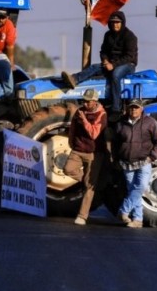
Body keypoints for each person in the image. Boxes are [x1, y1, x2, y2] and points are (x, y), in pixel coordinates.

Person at [61, 10, 138, 117]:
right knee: (94, 67)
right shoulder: (108, 35)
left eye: (117, 22)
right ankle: (74, 79)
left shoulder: (130, 36)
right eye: (113, 22)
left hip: (128, 64)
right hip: (110, 63)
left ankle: (116, 107)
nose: (115, 24)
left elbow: (129, 57)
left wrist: (113, 65)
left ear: (122, 23)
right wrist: (105, 61)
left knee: (115, 74)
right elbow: (103, 51)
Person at [111, 98, 157, 228]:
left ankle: (123, 211)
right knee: (133, 191)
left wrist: (151, 157)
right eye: (131, 107)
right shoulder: (121, 124)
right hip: (127, 163)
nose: (133, 110)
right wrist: (116, 158)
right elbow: (115, 143)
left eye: (136, 107)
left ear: (141, 109)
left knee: (140, 187)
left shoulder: (151, 123)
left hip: (144, 161)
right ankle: (138, 220)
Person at [63, 89, 108, 226]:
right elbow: (73, 128)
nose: (85, 103)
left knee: (89, 187)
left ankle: (82, 216)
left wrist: (84, 121)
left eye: (88, 101)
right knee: (68, 169)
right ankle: (88, 181)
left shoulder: (102, 114)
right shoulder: (79, 111)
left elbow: (94, 134)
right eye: (84, 100)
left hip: (93, 153)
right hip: (78, 149)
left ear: (95, 101)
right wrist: (71, 141)